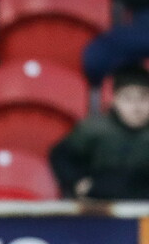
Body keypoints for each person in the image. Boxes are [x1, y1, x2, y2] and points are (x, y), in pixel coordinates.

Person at [50, 64, 149, 200]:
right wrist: (76, 181)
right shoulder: (94, 129)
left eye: (143, 98)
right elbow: (61, 156)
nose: (136, 107)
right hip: (98, 207)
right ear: (115, 100)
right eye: (128, 98)